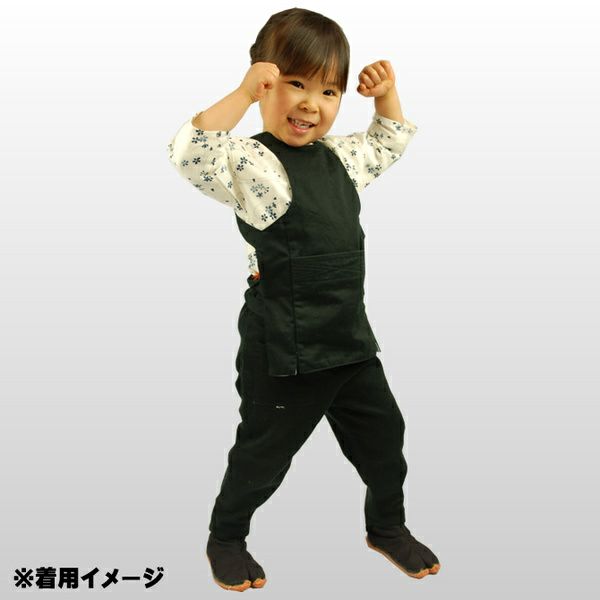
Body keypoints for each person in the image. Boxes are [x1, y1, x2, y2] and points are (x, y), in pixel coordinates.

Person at [167, 7, 440, 592]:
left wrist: (386, 95)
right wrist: (242, 94)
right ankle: (225, 537)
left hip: (350, 343)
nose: (311, 104)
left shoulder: (339, 158)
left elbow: (387, 142)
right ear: (264, 80)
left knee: (385, 442)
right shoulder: (250, 161)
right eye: (295, 83)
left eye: (329, 91)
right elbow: (191, 153)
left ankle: (386, 527)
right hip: (285, 349)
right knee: (262, 455)